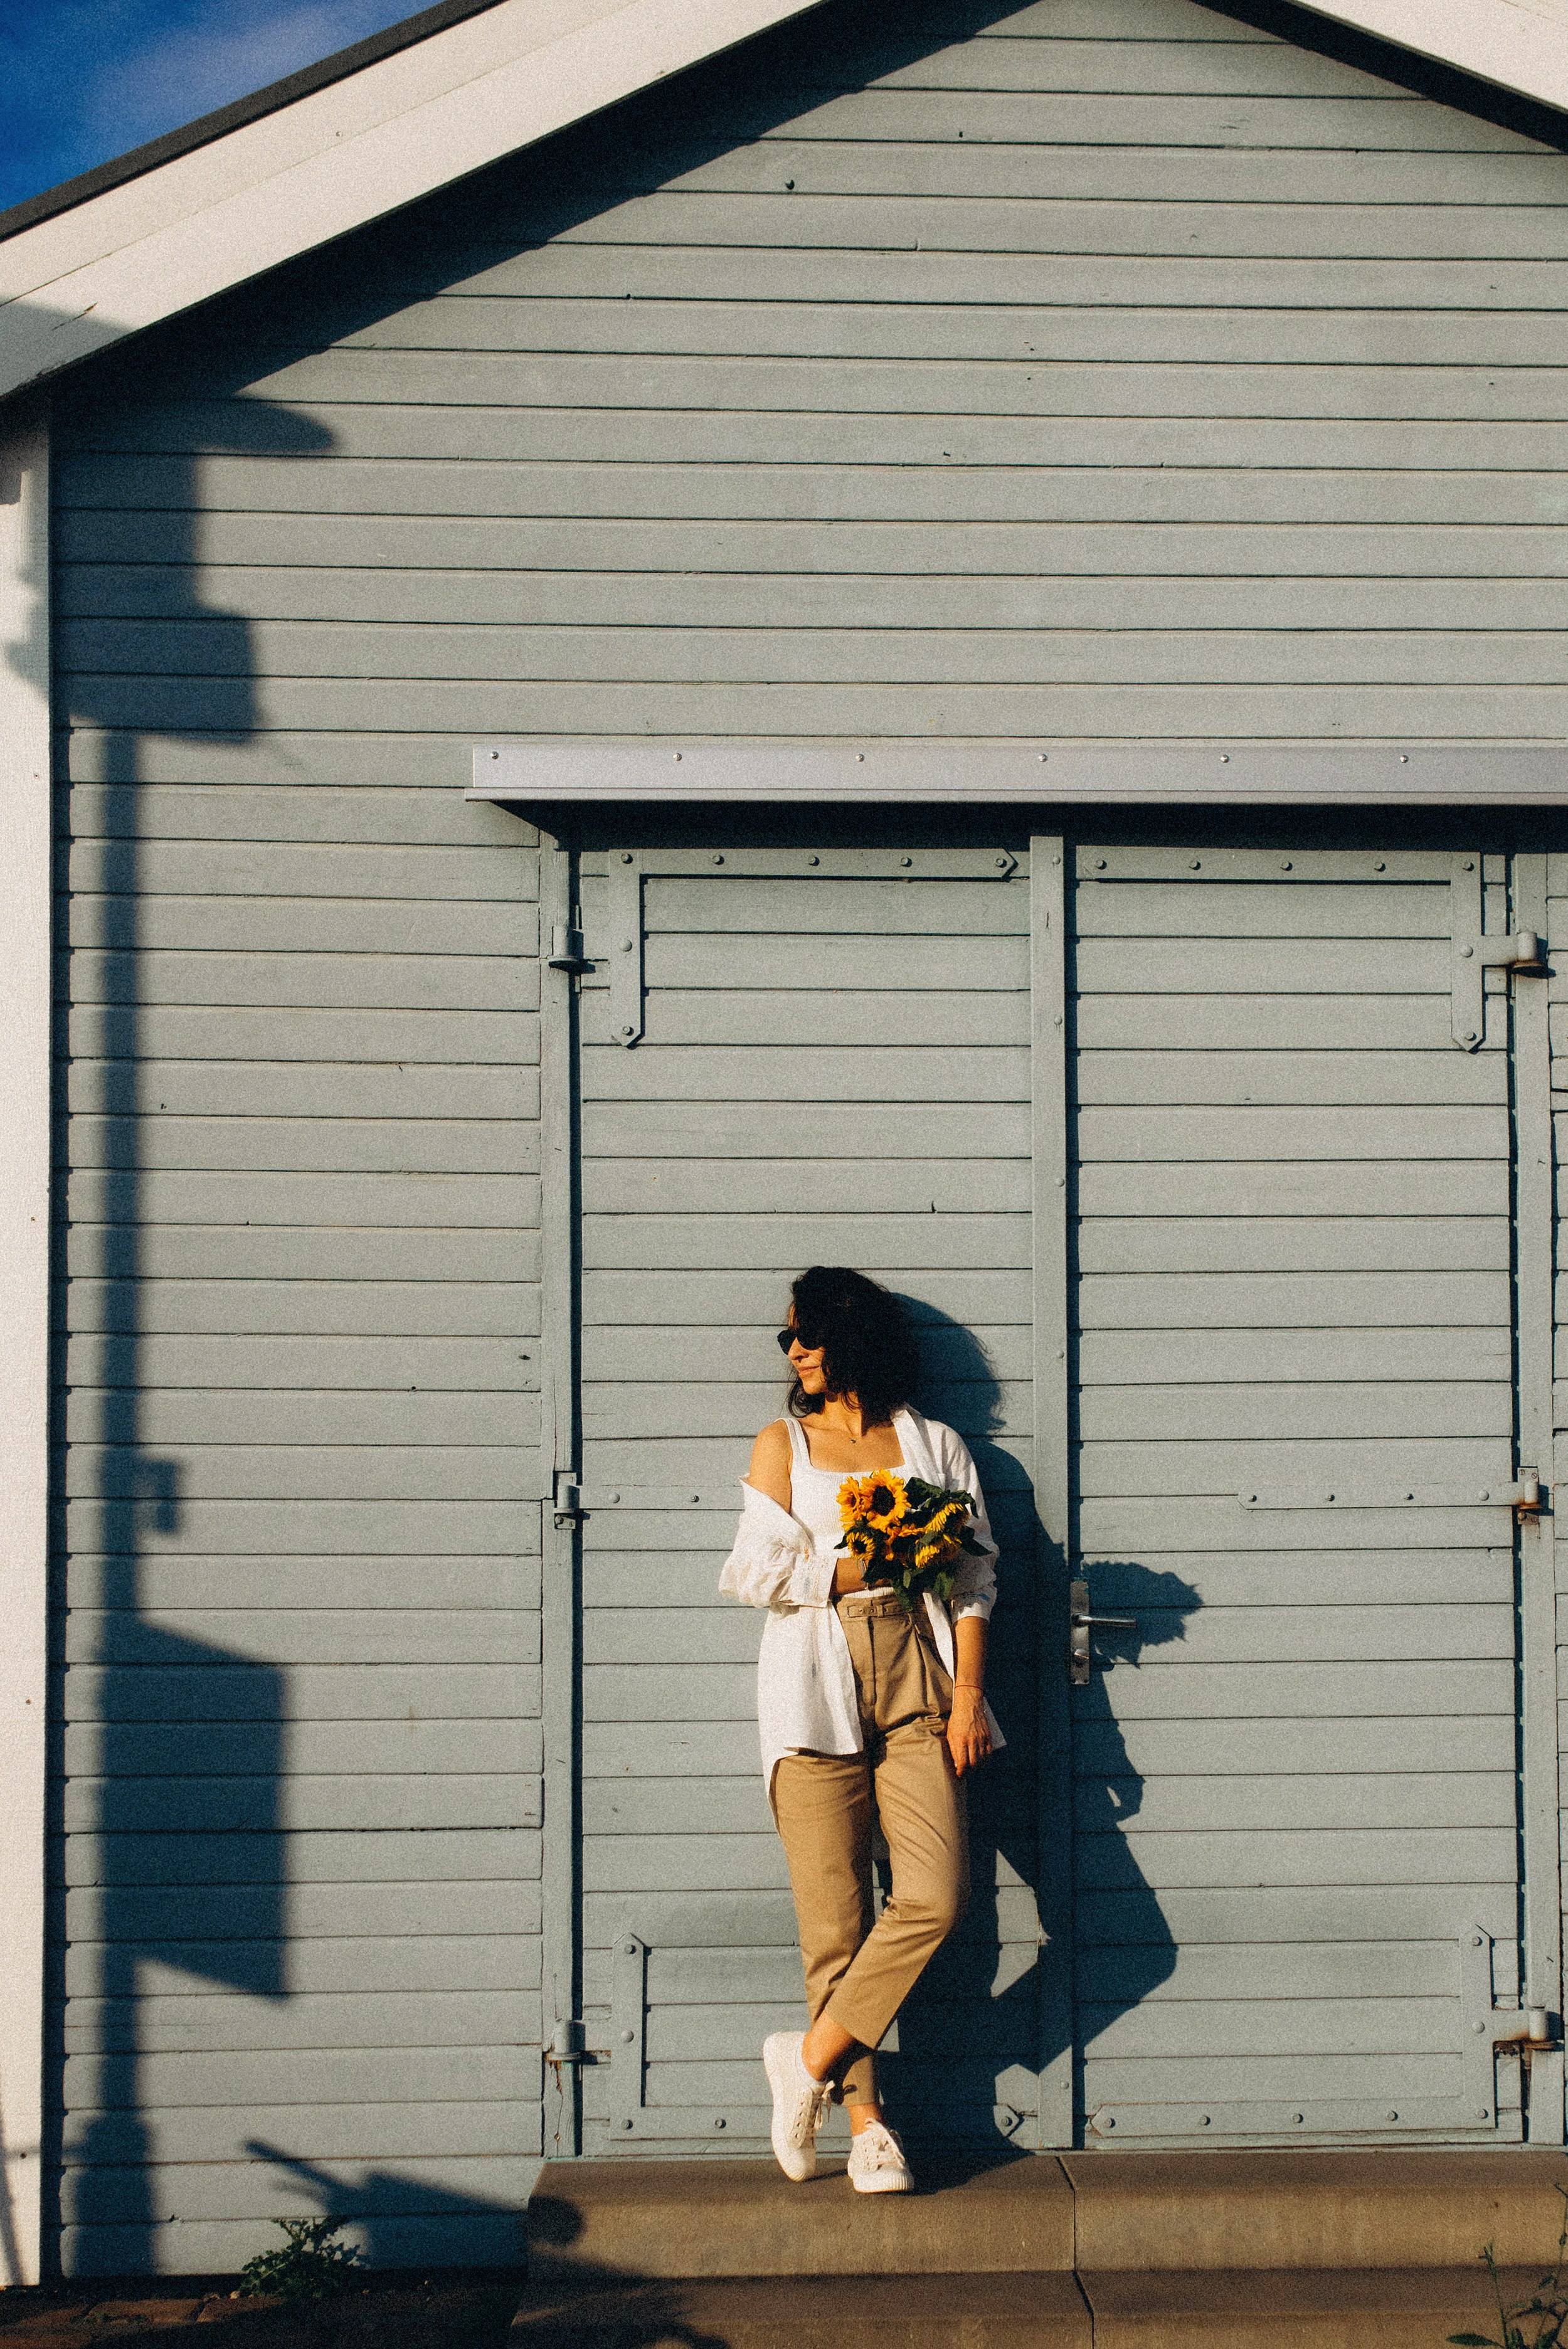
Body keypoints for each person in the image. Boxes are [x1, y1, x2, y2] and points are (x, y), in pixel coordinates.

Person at [719, 1265, 1000, 2195]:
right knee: (835, 1925)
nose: (793, 1351)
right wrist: (861, 1561)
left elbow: (974, 1579)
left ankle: (804, 2060)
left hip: (917, 1676)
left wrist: (968, 1695)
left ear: (852, 1337)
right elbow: (754, 1573)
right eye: (787, 1338)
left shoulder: (933, 1444)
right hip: (812, 1684)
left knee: (935, 1896)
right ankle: (868, 2127)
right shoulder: (784, 1445)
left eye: (806, 1334)